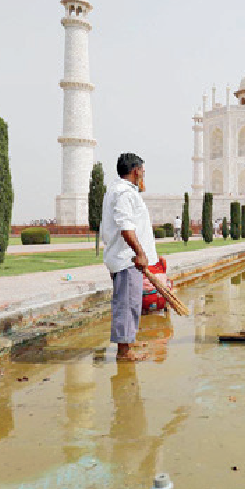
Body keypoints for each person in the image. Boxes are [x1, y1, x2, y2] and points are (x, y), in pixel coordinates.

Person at [101, 152, 158, 362]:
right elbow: (126, 227)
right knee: (126, 304)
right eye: (143, 171)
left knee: (131, 302)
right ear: (136, 171)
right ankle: (124, 352)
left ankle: (127, 344)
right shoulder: (124, 193)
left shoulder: (121, 191)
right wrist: (140, 254)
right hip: (127, 259)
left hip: (125, 257)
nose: (144, 175)